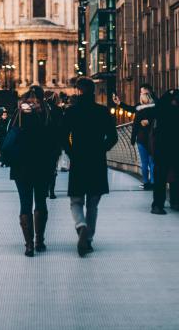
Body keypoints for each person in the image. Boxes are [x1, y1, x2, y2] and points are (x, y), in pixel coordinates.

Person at [62, 78, 118, 257]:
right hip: (97, 161)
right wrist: (102, 148)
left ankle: (81, 226)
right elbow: (113, 137)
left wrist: (71, 152)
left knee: (76, 200)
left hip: (79, 160)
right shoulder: (102, 112)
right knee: (93, 203)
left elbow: (63, 136)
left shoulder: (71, 112)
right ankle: (89, 239)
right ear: (93, 91)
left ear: (78, 91)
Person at [9, 86, 57, 257]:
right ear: (42, 98)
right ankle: (39, 241)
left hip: (21, 167)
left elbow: (7, 136)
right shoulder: (47, 114)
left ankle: (28, 245)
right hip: (42, 166)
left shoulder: (18, 114)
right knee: (41, 202)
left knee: (25, 204)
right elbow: (55, 141)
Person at [150, 89, 179, 214]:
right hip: (167, 148)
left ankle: (175, 202)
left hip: (173, 149)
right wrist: (178, 106)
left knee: (178, 176)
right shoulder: (162, 109)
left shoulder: (171, 109)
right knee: (163, 178)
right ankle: (160, 204)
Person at [130, 92, 155, 189]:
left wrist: (132, 139)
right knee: (152, 161)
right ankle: (153, 182)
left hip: (141, 139)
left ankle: (146, 182)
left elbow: (135, 126)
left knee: (144, 162)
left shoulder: (139, 111)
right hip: (152, 138)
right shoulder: (154, 110)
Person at [44, 91, 64, 199]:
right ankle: (51, 191)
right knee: (53, 167)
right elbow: (62, 127)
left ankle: (45, 189)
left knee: (44, 167)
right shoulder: (58, 110)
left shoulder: (41, 109)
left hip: (42, 144)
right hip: (55, 144)